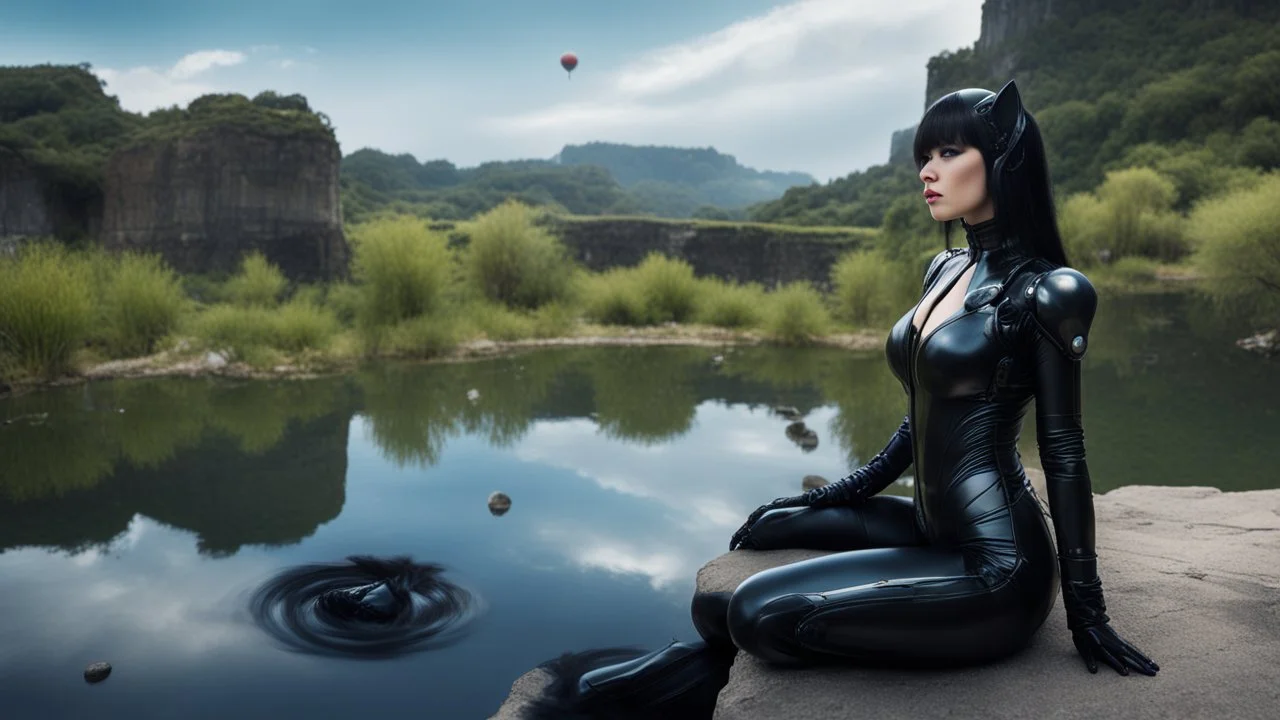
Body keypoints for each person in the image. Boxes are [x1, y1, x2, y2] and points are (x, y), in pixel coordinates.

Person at [527, 79, 1158, 720]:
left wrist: (1088, 611)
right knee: (764, 535)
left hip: (997, 562)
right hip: (926, 521)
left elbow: (1065, 451)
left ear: (1003, 159)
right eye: (924, 156)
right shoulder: (944, 270)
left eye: (947, 154)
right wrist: (832, 493)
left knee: (750, 612)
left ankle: (693, 680)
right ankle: (706, 661)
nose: (927, 172)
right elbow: (920, 422)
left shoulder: (1049, 291)